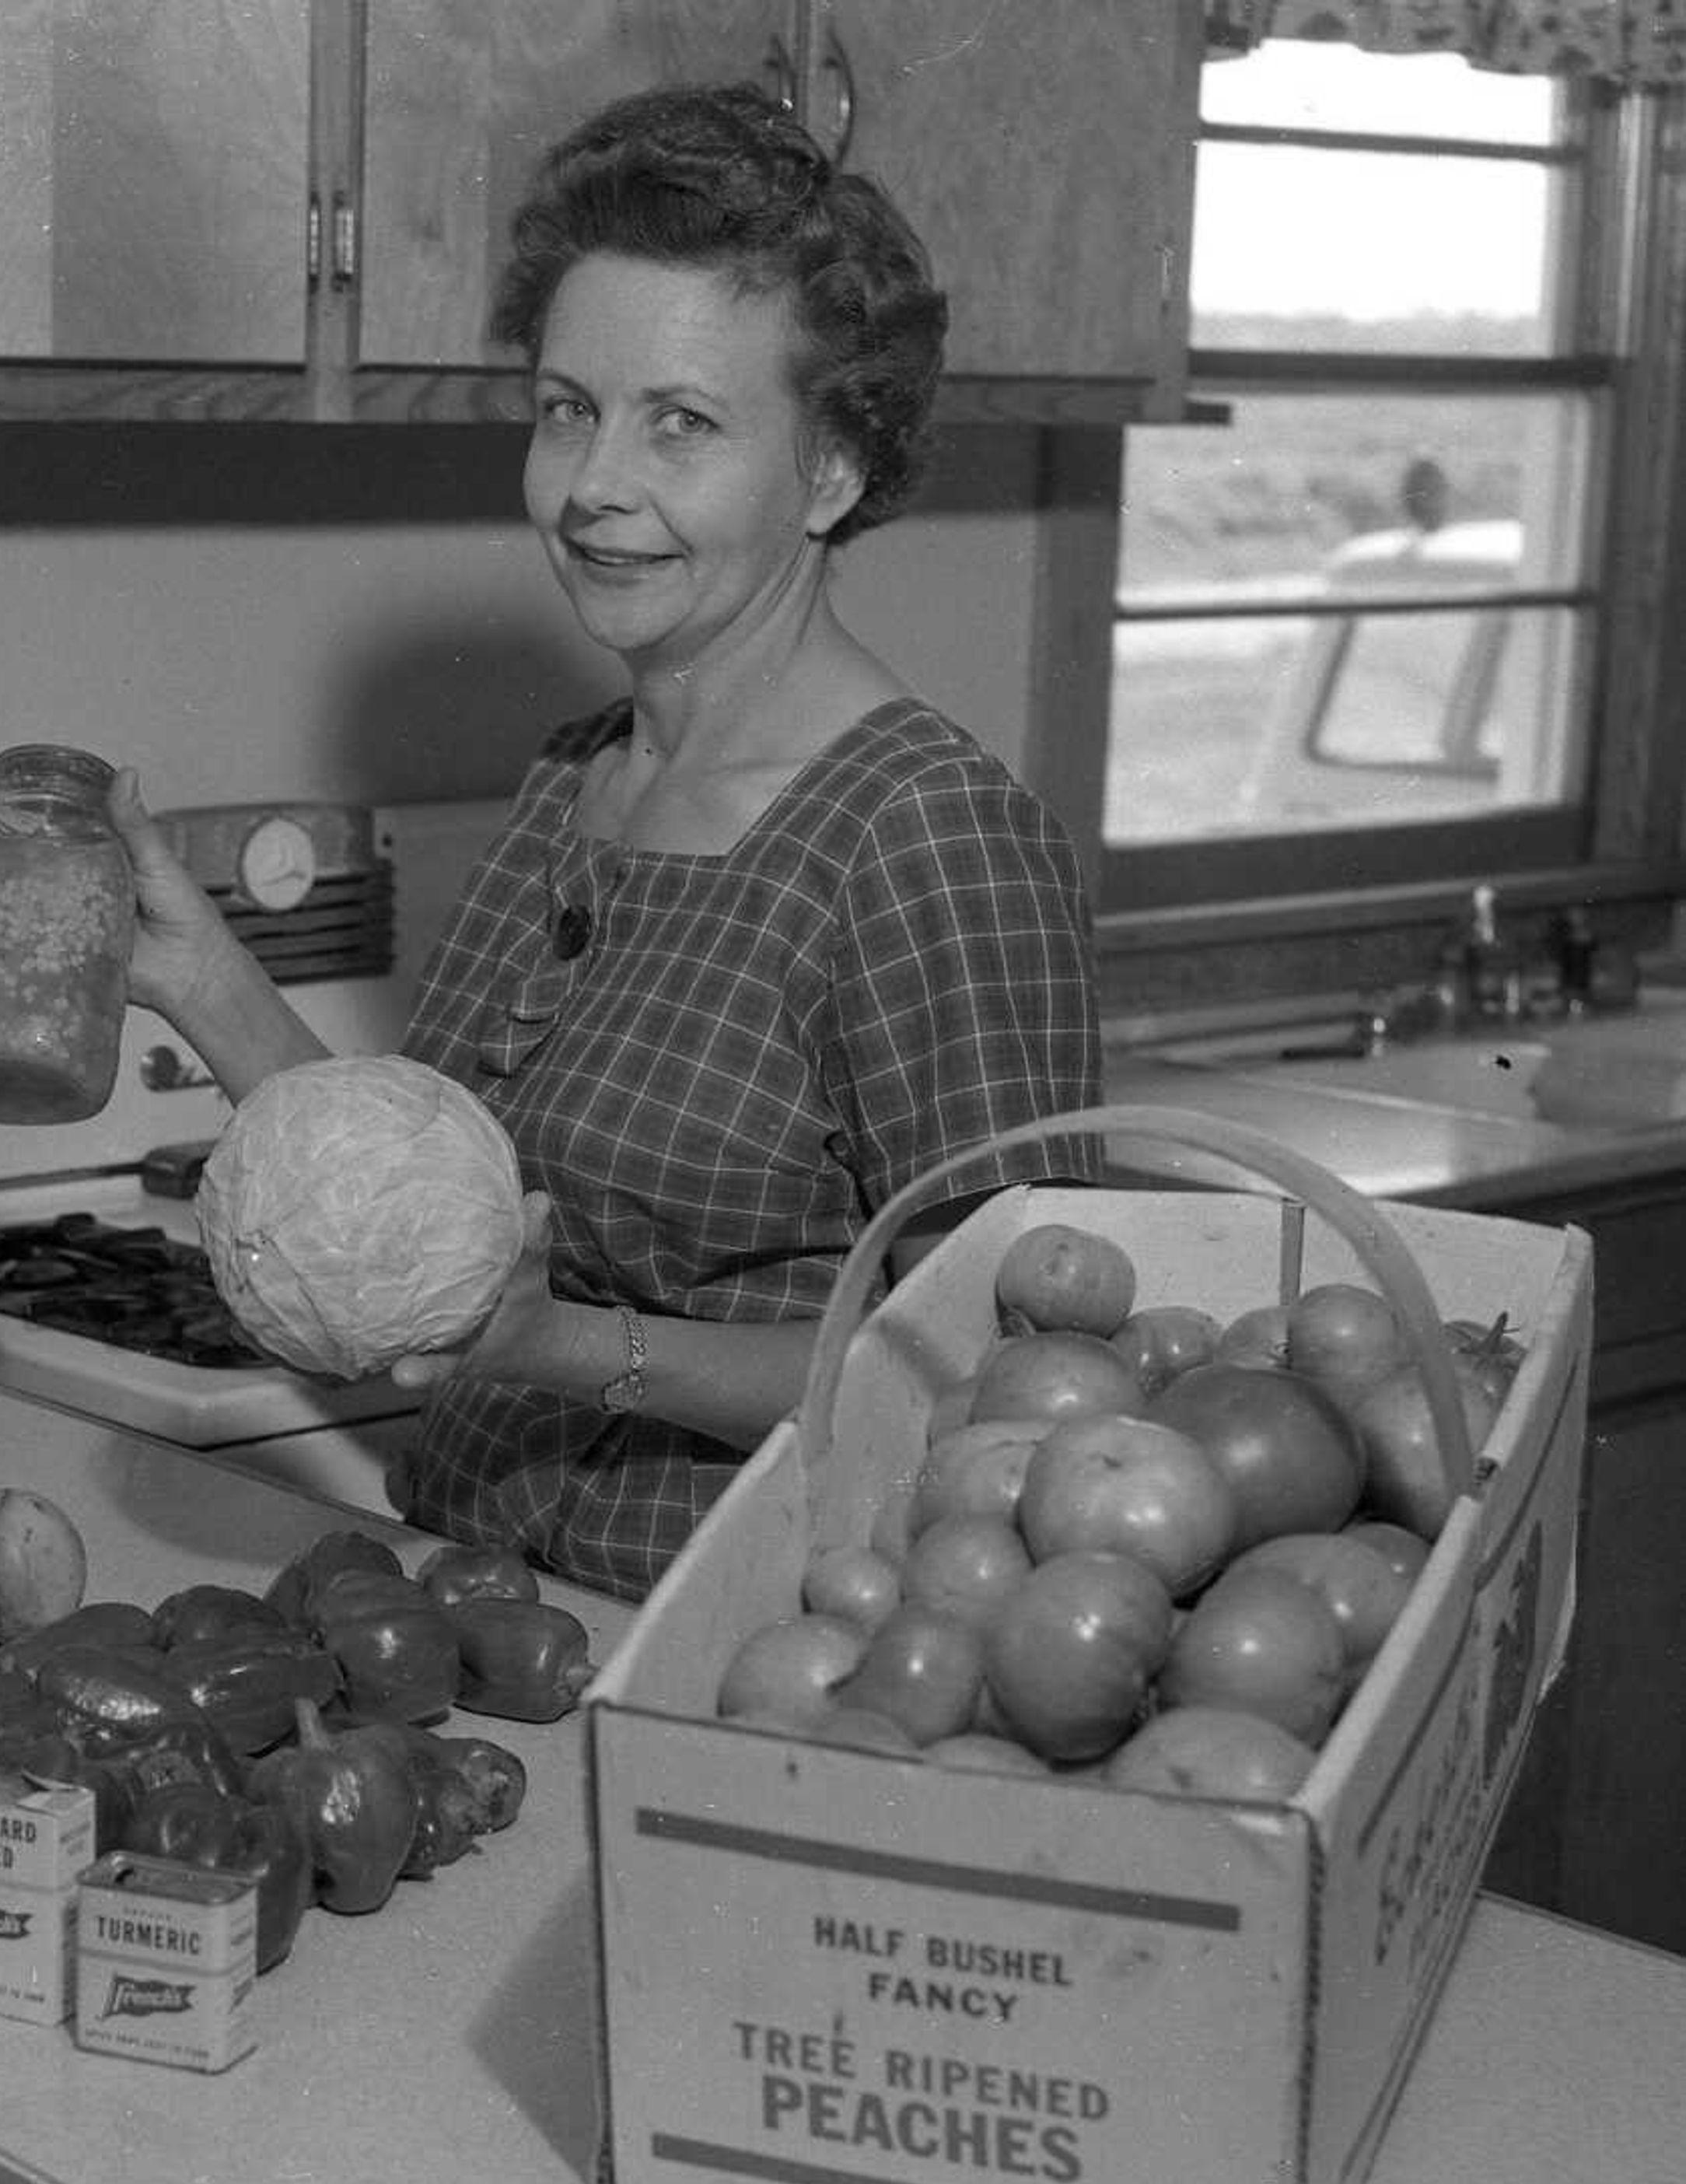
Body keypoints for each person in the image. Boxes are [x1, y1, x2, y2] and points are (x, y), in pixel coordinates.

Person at [109, 82, 1103, 1601]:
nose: (590, 489)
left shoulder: (927, 839)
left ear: (831, 471)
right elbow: (445, 1214)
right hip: (470, 1606)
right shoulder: (575, 780)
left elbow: (1006, 1372)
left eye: (682, 424)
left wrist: (570, 1348)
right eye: (568, 409)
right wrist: (200, 977)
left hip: (736, 1661)